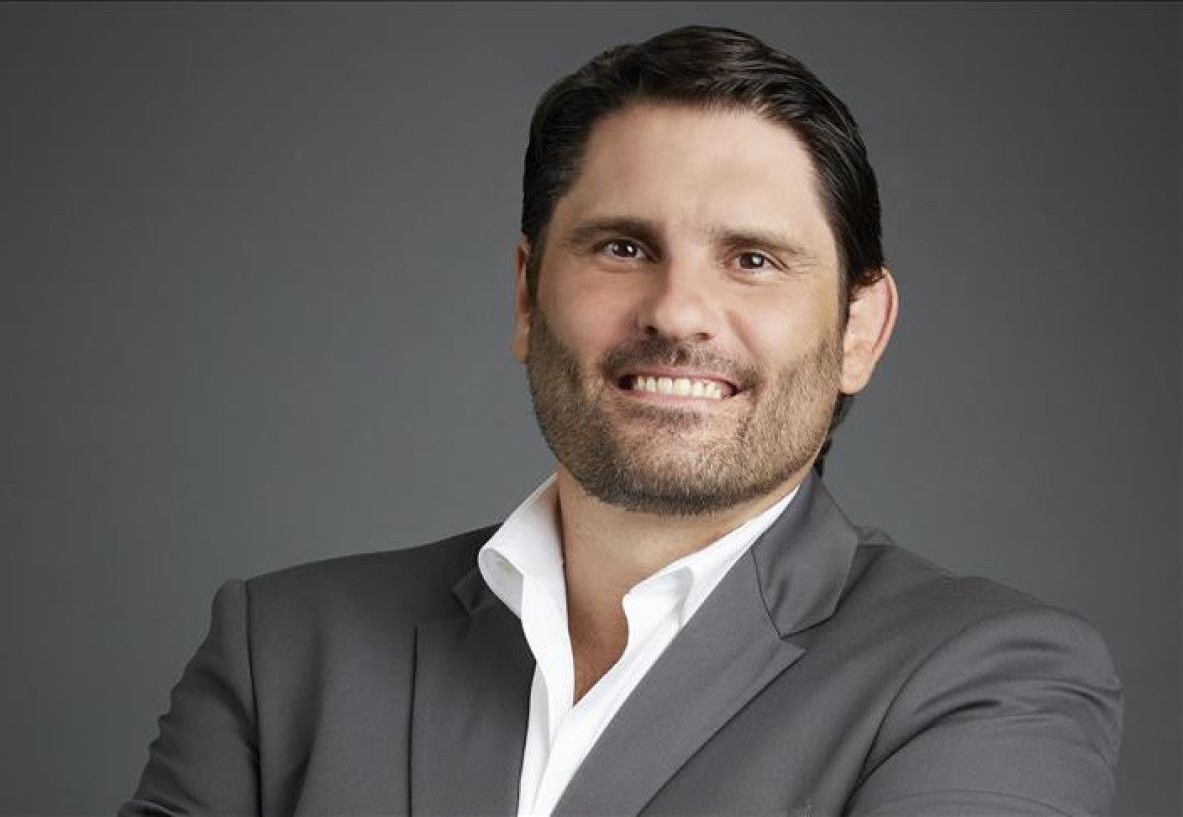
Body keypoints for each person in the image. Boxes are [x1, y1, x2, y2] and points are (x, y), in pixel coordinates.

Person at [121, 25, 1122, 817]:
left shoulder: (990, 679)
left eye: (753, 259)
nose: (678, 312)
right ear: (527, 296)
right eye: (623, 247)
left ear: (860, 329)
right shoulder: (283, 649)